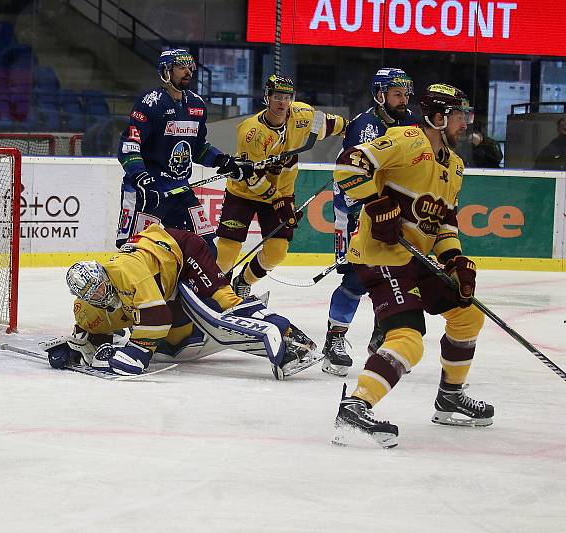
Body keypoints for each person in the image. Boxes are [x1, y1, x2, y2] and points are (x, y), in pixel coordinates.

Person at [331, 83, 493, 448]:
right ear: (438, 118)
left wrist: (454, 261)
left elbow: (444, 223)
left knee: (468, 316)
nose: (464, 123)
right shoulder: (407, 139)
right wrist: (375, 203)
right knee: (408, 339)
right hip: (381, 254)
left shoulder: (455, 165)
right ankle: (355, 407)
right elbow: (349, 164)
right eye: (458, 116)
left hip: (418, 257)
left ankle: (449, 398)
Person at [45, 223, 321, 379]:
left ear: (103, 274)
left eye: (98, 287)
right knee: (176, 342)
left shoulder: (127, 273)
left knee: (223, 303)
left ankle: (292, 336)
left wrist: (135, 353)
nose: (98, 295)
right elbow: (91, 332)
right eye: (90, 294)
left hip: (182, 252)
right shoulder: (86, 307)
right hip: (162, 280)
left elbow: (157, 318)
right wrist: (78, 348)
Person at [215, 74, 347, 297]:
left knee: (276, 252)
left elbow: (333, 124)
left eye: (287, 97)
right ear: (267, 97)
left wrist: (357, 132)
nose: (282, 102)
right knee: (228, 252)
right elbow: (252, 178)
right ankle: (214, 291)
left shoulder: (303, 115)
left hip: (280, 195)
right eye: (276, 96)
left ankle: (243, 282)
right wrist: (281, 202)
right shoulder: (251, 132)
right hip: (243, 193)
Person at [322, 68, 416, 377]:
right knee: (356, 280)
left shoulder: (411, 124)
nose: (404, 100)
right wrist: (360, 212)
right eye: (397, 94)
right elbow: (350, 176)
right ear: (380, 95)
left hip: (392, 214)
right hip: (356, 215)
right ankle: (334, 341)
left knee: (396, 276)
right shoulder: (364, 127)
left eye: (405, 93)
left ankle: (382, 337)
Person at [115, 48, 253, 252]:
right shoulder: (150, 103)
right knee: (134, 251)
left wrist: (222, 160)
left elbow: (197, 148)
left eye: (190, 67)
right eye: (181, 67)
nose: (188, 71)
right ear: (165, 72)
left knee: (205, 250)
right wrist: (140, 177)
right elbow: (129, 146)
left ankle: (185, 285)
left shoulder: (196, 104)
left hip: (179, 190)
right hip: (148, 191)